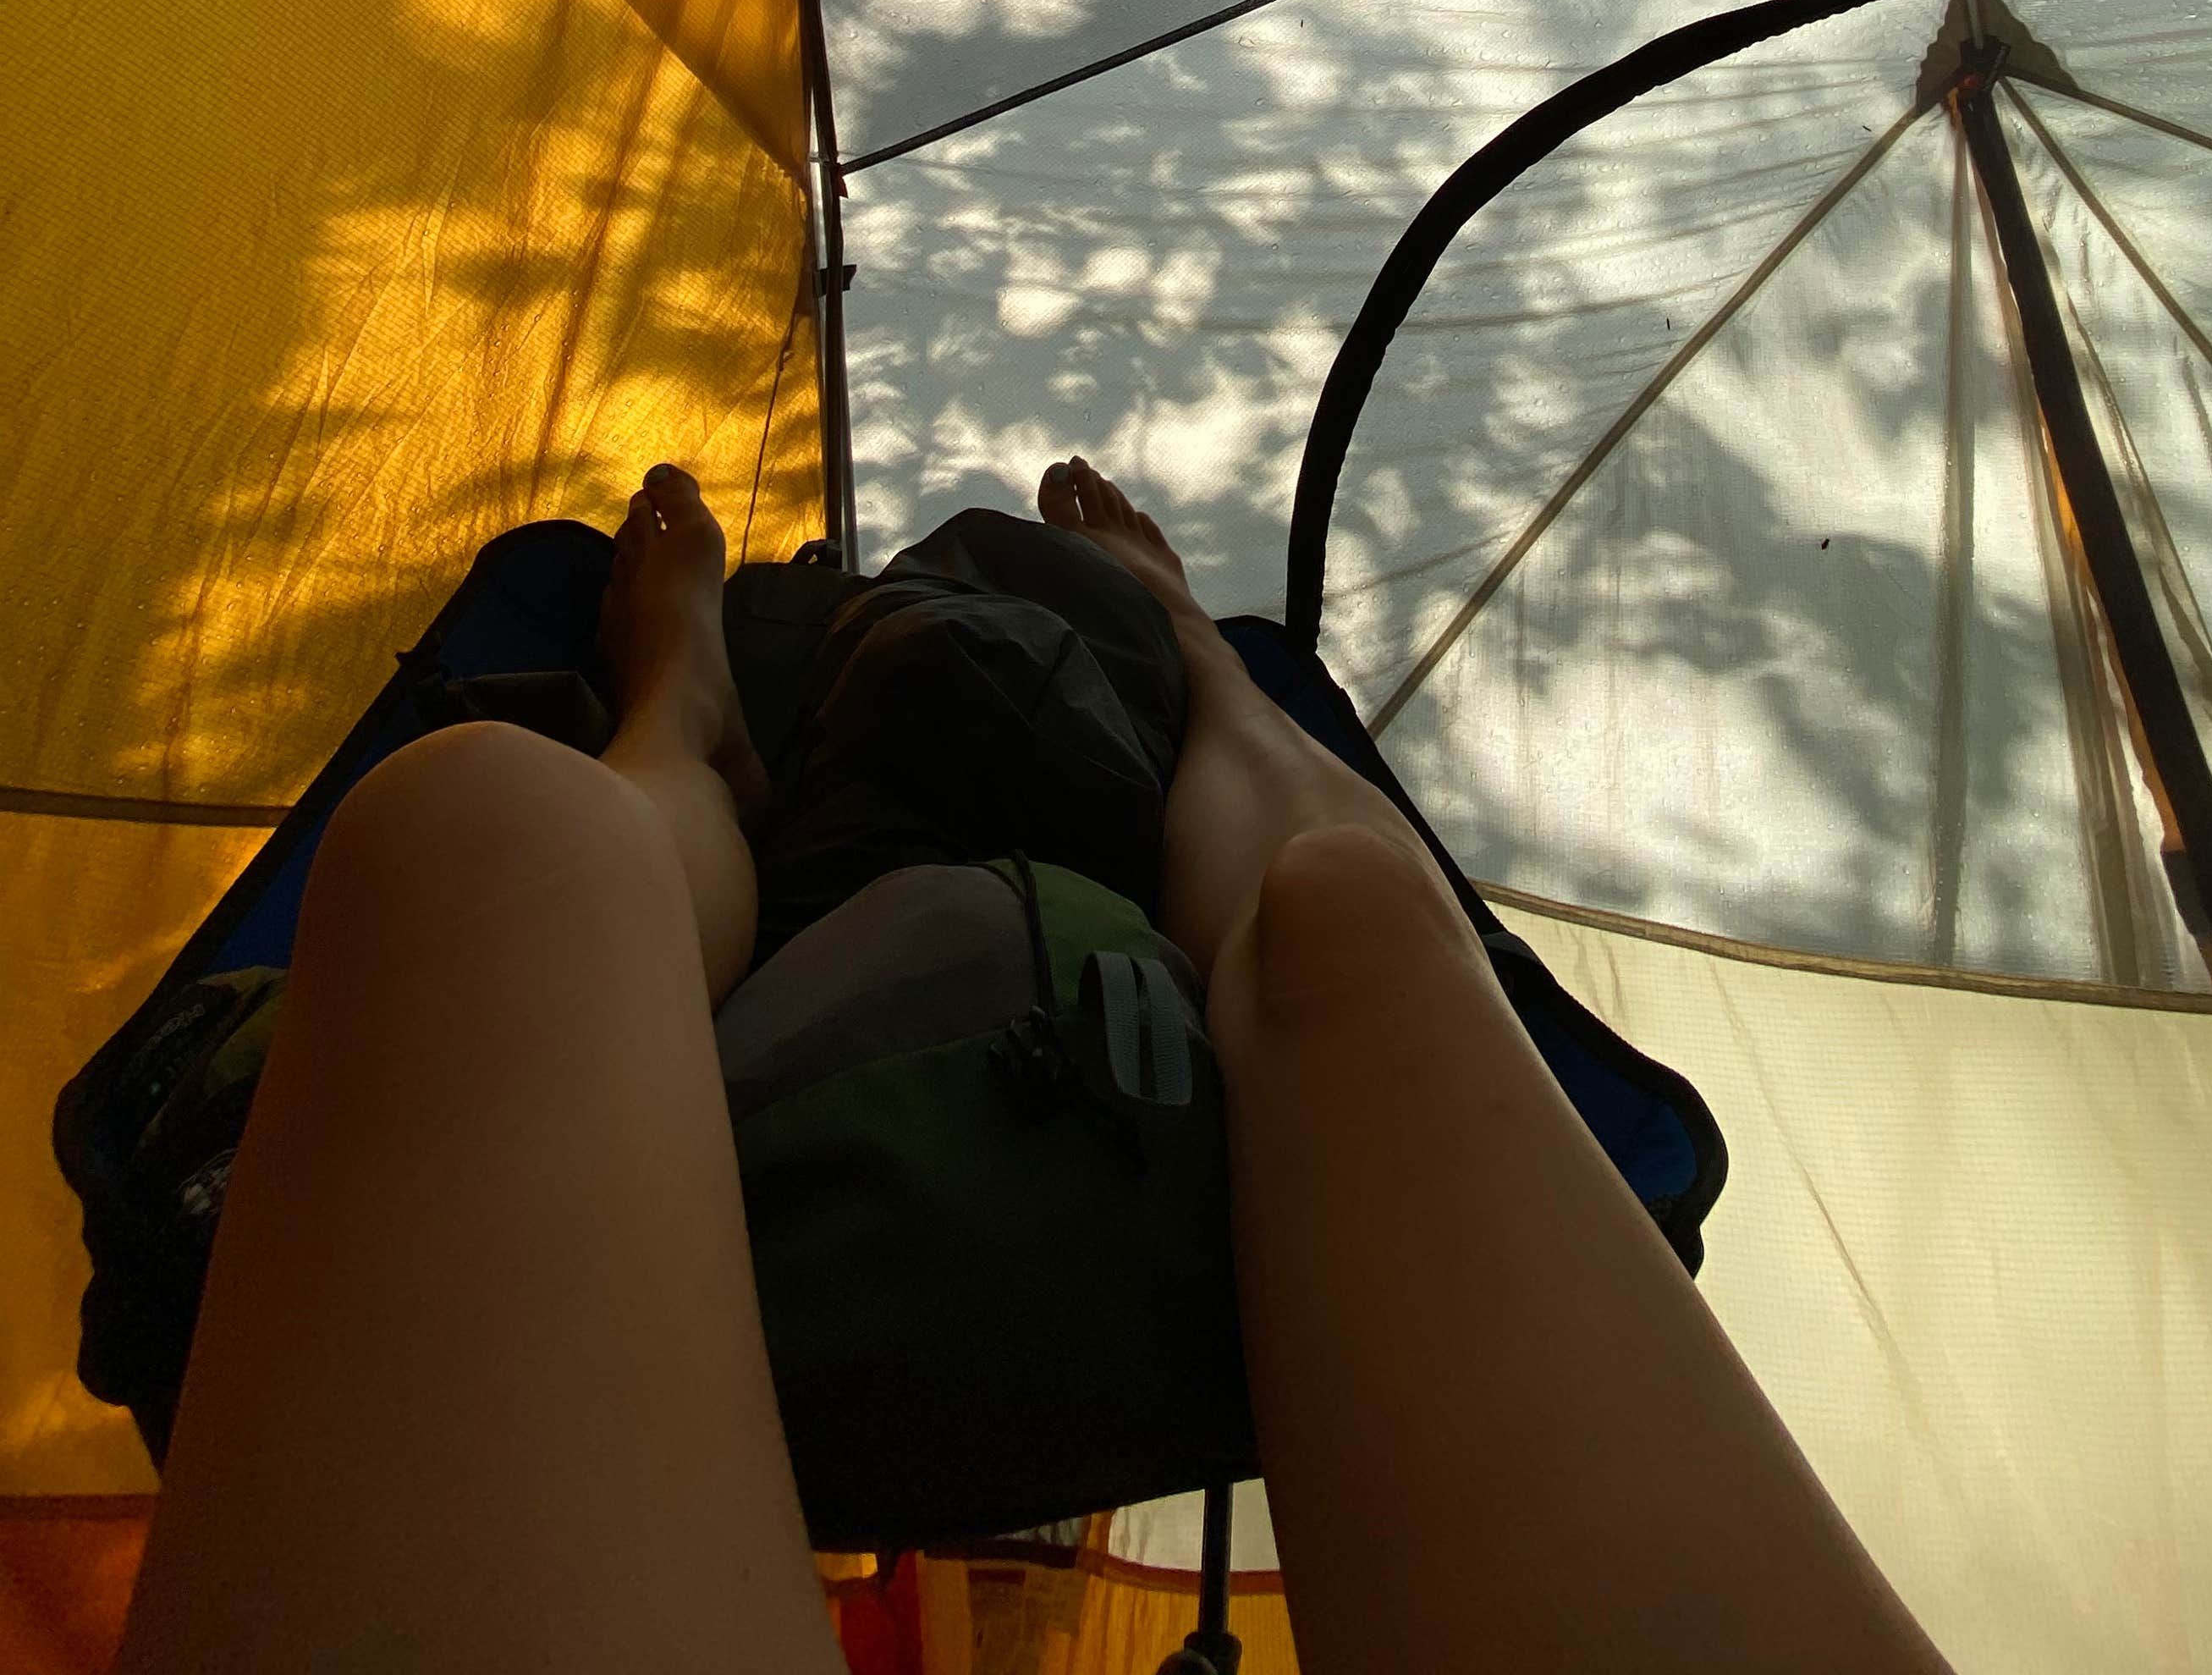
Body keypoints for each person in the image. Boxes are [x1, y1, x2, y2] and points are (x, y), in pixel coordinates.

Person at [116, 458, 1951, 1675]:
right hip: (1257, 1099)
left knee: (485, 839)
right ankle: (1205, 679)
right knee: (1348, 917)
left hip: (619, 1097)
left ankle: (682, 712)